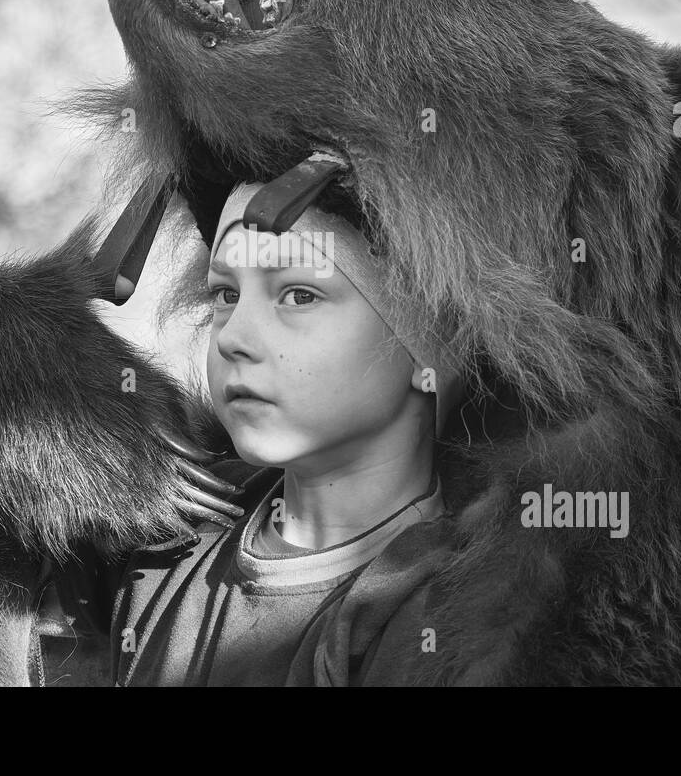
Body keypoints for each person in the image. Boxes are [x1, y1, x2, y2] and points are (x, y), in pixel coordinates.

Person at [34, 179, 478, 686]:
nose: (234, 337)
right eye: (225, 293)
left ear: (427, 344)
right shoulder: (160, 529)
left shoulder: (471, 616)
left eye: (299, 294)